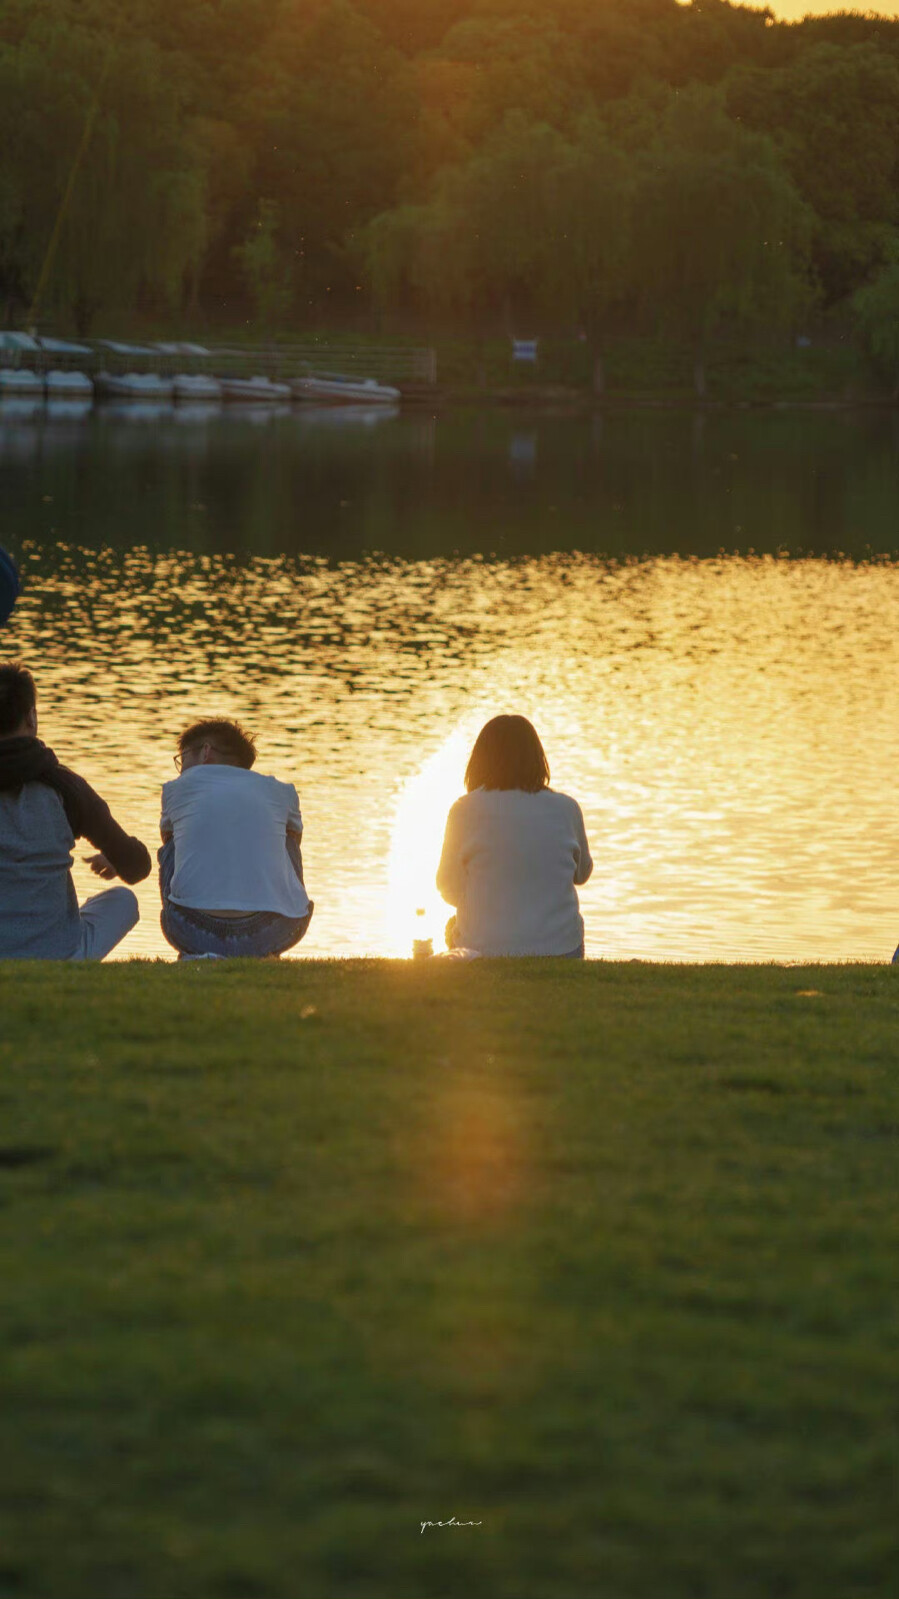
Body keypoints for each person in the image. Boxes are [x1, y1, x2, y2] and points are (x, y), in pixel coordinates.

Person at [0, 661, 150, 959]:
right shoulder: (65, 788)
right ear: (32, 717)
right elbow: (137, 867)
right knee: (122, 900)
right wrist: (117, 858)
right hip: (58, 953)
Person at [436, 714, 593, 958]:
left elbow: (447, 887)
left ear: (479, 761)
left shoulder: (464, 810)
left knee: (453, 926)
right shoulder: (567, 808)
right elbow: (581, 874)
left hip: (482, 949)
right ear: (538, 759)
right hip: (560, 948)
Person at [159, 718, 313, 959]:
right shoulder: (282, 791)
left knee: (172, 839)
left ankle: (198, 946)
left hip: (189, 930)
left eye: (183, 759)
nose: (181, 770)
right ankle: (265, 943)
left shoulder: (176, 788)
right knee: (288, 835)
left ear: (206, 752)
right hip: (276, 931)